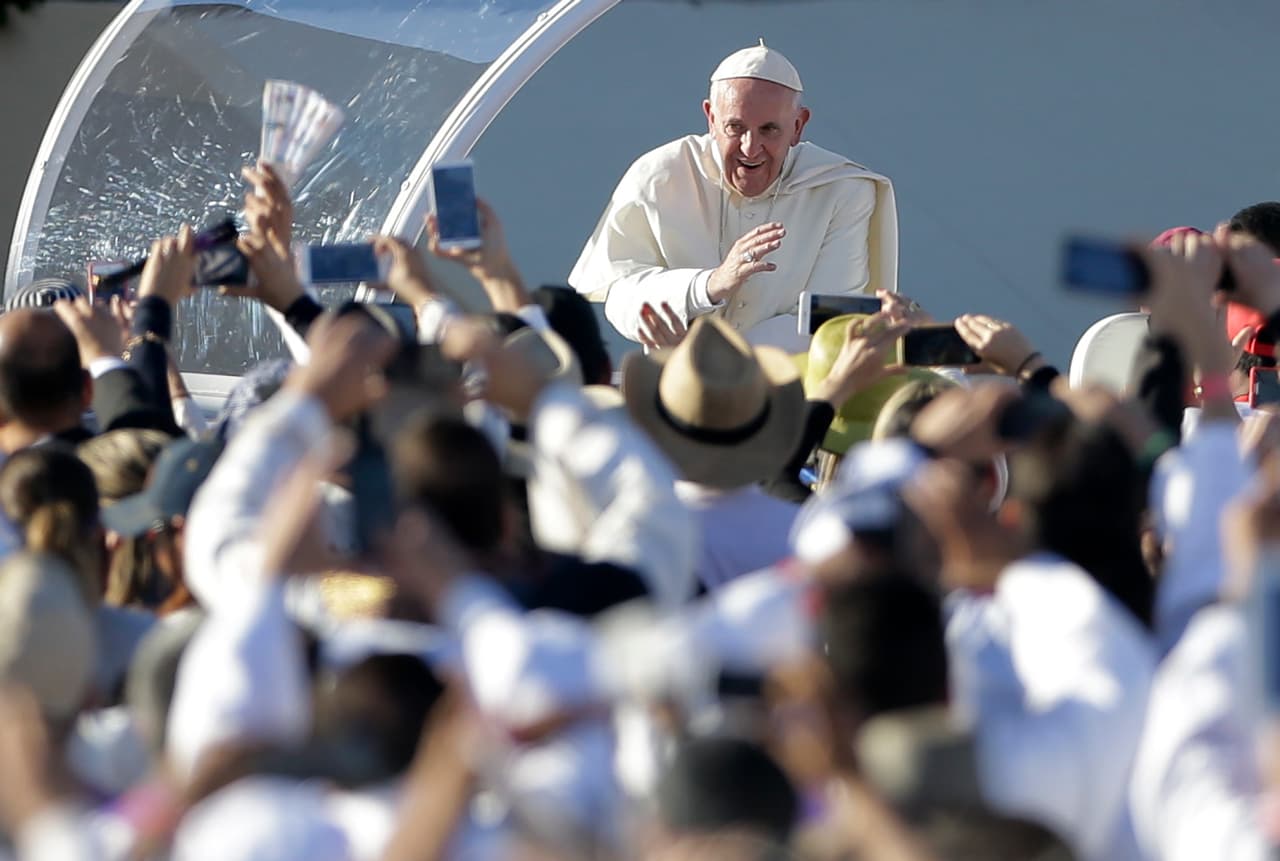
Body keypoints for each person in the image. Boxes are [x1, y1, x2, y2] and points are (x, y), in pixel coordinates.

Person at [569, 40, 897, 352]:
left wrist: (715, 362)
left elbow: (829, 319)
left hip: (791, 396)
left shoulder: (843, 189)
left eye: (769, 129)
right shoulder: (660, 175)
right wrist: (708, 285)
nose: (750, 149)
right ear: (711, 117)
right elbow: (620, 292)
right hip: (676, 389)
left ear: (798, 125)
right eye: (735, 128)